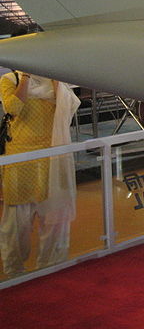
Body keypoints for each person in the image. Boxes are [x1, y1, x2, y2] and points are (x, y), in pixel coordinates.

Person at [0, 69, 80, 277]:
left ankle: (50, 269)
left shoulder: (55, 81)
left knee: (54, 220)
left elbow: (69, 107)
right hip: (20, 162)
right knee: (17, 224)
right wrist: (26, 77)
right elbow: (13, 108)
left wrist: (54, 78)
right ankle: (14, 272)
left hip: (52, 159)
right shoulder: (10, 80)